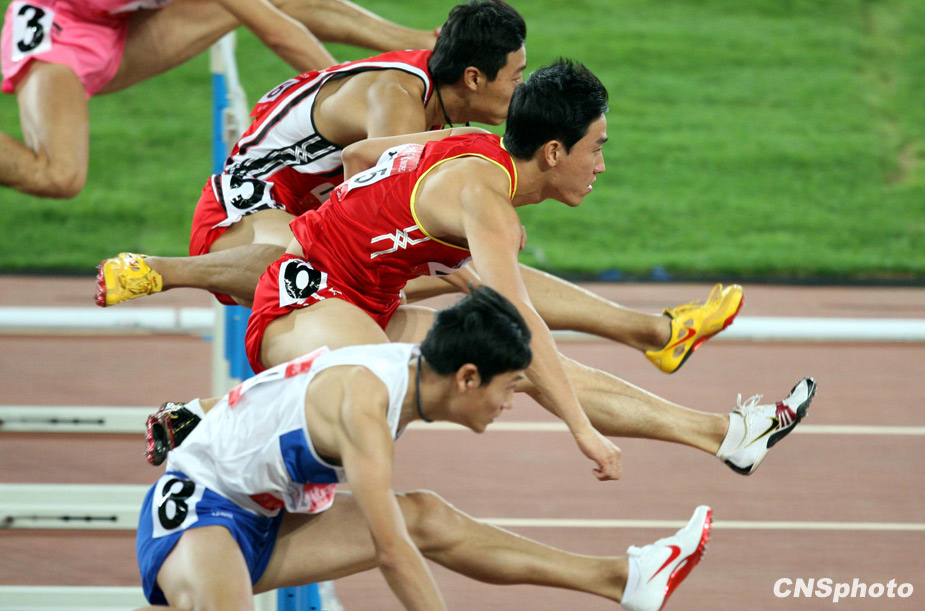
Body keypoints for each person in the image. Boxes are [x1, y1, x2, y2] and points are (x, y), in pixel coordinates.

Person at [146, 60, 816, 482]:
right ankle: (204, 417)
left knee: (511, 365)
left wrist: (388, 240)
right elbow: (520, 319)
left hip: (363, 297)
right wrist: (581, 432)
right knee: (398, 383)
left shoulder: (474, 146)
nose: (601, 165)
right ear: (552, 152)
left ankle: (726, 435)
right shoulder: (486, 202)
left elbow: (358, 159)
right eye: (595, 149)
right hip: (306, 298)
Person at [96, 0, 742, 376]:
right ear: (473, 78)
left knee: (488, 271)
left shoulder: (435, 95)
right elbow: (362, 189)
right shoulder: (396, 100)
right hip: (244, 212)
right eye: (515, 76)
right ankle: (159, 271)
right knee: (317, 261)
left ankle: (654, 333)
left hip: (309, 211)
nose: (522, 90)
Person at [135, 287, 713, 611]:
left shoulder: (408, 367)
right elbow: (393, 554)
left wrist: (191, 412)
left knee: (426, 517)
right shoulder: (365, 406)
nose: (509, 403)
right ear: (467, 378)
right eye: (509, 387)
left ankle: (624, 579)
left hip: (264, 516)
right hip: (200, 514)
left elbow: (267, 395)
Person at [0, 0, 437, 198]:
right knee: (58, 176)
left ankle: (428, 42)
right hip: (58, 29)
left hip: (120, 24)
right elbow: (277, 33)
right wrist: (349, 95)